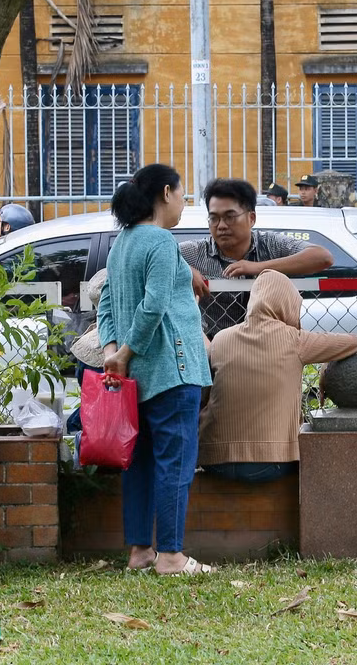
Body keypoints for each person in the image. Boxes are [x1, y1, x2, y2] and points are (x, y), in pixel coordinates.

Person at [97, 164, 214, 576]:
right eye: (183, 195)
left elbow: (106, 305)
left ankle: (140, 552)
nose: (185, 204)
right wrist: (126, 353)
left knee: (140, 463)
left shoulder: (122, 243)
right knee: (175, 464)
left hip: (135, 378)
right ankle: (171, 556)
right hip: (171, 370)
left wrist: (115, 352)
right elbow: (154, 305)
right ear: (166, 193)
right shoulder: (162, 241)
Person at [200, 270, 357, 482]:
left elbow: (205, 395)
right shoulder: (295, 340)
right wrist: (326, 366)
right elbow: (354, 342)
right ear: (287, 303)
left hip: (214, 460)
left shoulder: (220, 339)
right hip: (270, 463)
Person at [179, 178, 334, 339]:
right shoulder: (197, 252)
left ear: (251, 218)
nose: (221, 225)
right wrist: (185, 269)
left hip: (267, 348)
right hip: (214, 350)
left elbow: (322, 257)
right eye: (214, 218)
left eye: (230, 217)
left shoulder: (270, 244)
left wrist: (257, 267)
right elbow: (156, 255)